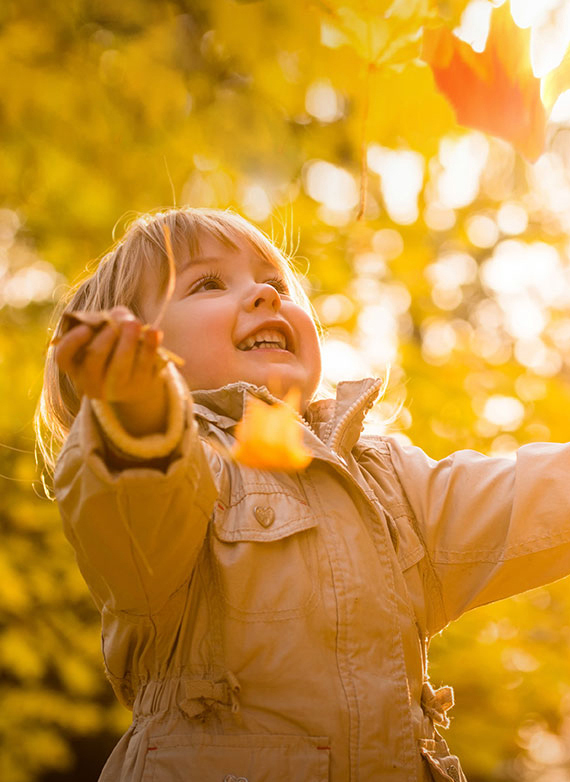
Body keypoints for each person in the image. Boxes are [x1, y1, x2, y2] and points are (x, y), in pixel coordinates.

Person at [36, 206, 570, 782]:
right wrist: (135, 411)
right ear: (145, 347)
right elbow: (132, 507)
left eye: (275, 283)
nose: (266, 295)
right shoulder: (182, 468)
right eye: (208, 283)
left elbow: (526, 498)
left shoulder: (387, 480)